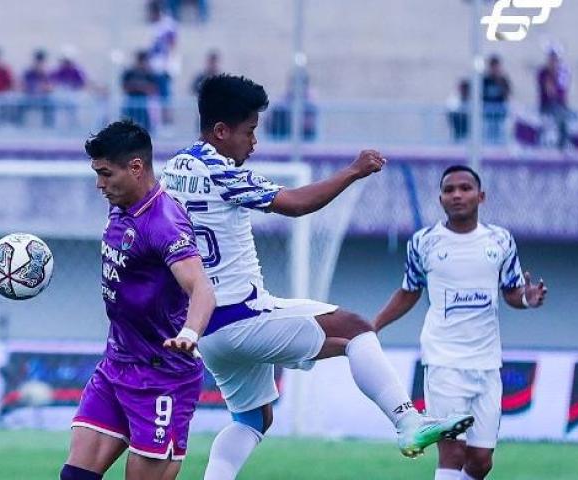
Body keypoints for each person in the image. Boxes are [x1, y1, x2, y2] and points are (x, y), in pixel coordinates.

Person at [162, 74, 473, 480]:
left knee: (253, 419)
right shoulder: (221, 171)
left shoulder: (170, 172)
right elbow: (293, 204)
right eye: (249, 132)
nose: (253, 142)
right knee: (357, 329)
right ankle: (407, 423)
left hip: (204, 328)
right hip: (242, 316)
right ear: (220, 131)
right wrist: (353, 171)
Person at [61, 120, 216, 480]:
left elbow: (202, 288)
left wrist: (190, 335)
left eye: (105, 174)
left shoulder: (164, 222)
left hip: (163, 376)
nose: (100, 184)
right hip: (117, 364)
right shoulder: (120, 204)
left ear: (136, 167)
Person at [373, 165, 547, 480]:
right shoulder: (423, 242)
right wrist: (373, 326)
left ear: (481, 196)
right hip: (444, 361)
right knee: (452, 453)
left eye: (465, 188)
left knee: (480, 462)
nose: (457, 195)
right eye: (449, 190)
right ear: (440, 198)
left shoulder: (501, 241)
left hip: (487, 364)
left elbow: (511, 292)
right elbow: (409, 292)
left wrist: (526, 298)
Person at [537, 47, 571, 149]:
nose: (553, 61)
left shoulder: (563, 72)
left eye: (555, 59)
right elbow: (548, 91)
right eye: (551, 58)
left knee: (562, 119)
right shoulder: (543, 73)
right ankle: (541, 144)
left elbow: (560, 91)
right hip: (546, 106)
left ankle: (562, 145)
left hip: (560, 105)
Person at [482, 55, 510, 144]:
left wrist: (499, 81)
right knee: (488, 135)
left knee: (500, 134)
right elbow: (480, 94)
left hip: (500, 112)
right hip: (488, 113)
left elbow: (508, 93)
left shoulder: (503, 79)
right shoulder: (485, 80)